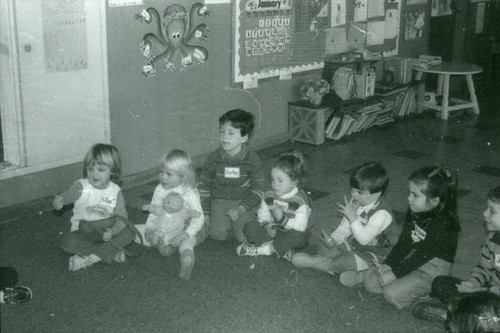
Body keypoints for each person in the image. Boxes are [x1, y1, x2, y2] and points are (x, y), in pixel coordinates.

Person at [362, 165, 460, 310]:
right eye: (409, 193)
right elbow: (404, 242)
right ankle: (403, 283)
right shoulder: (416, 210)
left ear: (434, 201)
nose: (409, 199)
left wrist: (395, 274)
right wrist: (389, 264)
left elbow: (423, 255)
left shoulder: (444, 223)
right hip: (413, 258)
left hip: (433, 267)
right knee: (370, 281)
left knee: (391, 294)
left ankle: (426, 296)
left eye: (415, 195)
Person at [291, 161, 398, 287]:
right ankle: (345, 268)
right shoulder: (357, 202)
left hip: (377, 255)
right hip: (355, 247)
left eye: (359, 192)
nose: (353, 195)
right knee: (326, 246)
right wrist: (333, 240)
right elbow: (344, 228)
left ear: (376, 194)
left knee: (347, 260)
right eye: (353, 190)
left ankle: (316, 262)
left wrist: (352, 216)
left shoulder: (382, 213)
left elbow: (364, 239)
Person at [411, 186, 500, 324]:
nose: (485, 214)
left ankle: (457, 316)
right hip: (489, 295)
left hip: (493, 297)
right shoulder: (493, 236)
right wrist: (472, 283)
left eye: (492, 211)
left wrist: (482, 290)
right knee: (440, 282)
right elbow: (484, 267)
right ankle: (468, 316)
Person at [53, 143, 137, 271]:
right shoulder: (83, 186)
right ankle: (110, 253)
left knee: (130, 233)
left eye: (101, 170)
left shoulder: (116, 191)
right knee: (67, 243)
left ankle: (91, 258)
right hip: (82, 234)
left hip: (107, 233)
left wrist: (113, 231)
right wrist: (60, 201)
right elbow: (69, 195)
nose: (94, 174)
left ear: (113, 171)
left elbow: (122, 218)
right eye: (90, 169)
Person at [198, 109, 266, 242]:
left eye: (231, 133)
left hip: (243, 202)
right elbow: (203, 187)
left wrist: (240, 209)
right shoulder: (213, 158)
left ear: (244, 137)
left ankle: (250, 218)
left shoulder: (252, 160)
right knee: (218, 236)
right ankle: (223, 222)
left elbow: (259, 190)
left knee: (245, 237)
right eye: (222, 131)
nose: (225, 137)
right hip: (219, 201)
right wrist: (206, 213)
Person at [135, 149, 204, 280]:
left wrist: (186, 233)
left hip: (183, 230)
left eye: (168, 174)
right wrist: (149, 228)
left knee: (187, 242)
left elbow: (198, 218)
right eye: (161, 172)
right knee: (136, 231)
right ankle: (163, 244)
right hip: (162, 227)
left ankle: (187, 256)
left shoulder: (190, 192)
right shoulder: (159, 189)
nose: (163, 177)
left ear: (183, 176)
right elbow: (154, 211)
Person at [236, 150, 312, 259]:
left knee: (299, 237)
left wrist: (281, 219)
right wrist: (267, 225)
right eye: (272, 179)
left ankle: (262, 250)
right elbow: (263, 213)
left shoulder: (300, 201)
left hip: (291, 233)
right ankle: (278, 249)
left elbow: (300, 227)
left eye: (280, 180)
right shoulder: (269, 195)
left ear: (294, 182)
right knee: (249, 227)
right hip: (272, 232)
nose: (274, 184)